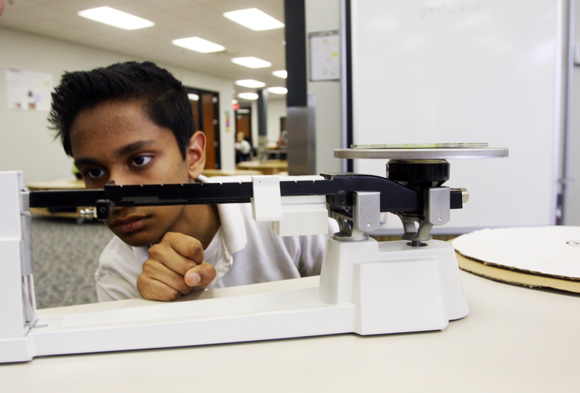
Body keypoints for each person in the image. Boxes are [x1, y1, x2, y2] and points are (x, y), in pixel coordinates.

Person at [49, 61, 335, 302]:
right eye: (94, 172)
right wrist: (162, 311)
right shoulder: (117, 271)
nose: (116, 196)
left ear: (194, 155)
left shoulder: (283, 210)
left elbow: (359, 294)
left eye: (140, 160)